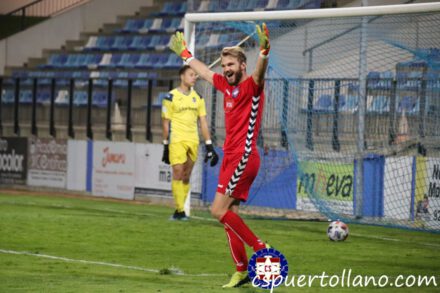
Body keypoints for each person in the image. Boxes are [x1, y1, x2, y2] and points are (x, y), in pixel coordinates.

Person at [170, 23, 270, 287]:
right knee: (230, 216)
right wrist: (186, 56)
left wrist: (263, 53)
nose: (226, 69)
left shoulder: (251, 86)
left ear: (242, 66)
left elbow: (260, 74)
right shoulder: (226, 87)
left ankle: (261, 249)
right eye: (224, 65)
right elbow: (203, 72)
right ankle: (241, 270)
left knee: (216, 210)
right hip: (230, 156)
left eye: (231, 65)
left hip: (244, 157)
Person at [161, 65, 219, 221]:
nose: (194, 77)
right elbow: (166, 123)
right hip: (177, 140)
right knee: (178, 172)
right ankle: (179, 210)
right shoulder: (170, 97)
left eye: (195, 75)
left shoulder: (198, 98)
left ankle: (180, 210)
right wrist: (166, 144)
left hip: (193, 140)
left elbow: (203, 122)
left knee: (186, 176)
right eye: (191, 74)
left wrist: (208, 144)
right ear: (182, 76)